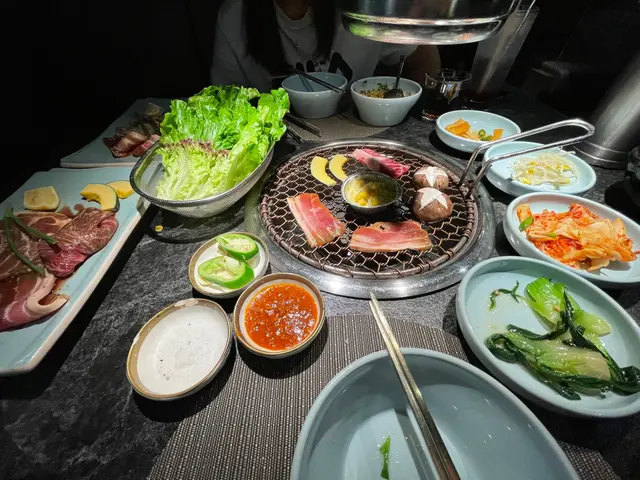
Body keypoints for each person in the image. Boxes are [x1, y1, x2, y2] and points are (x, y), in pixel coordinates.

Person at [211, 0, 441, 92]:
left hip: (358, 137)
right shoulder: (234, 18)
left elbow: (424, 56)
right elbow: (225, 101)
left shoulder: (366, 7)